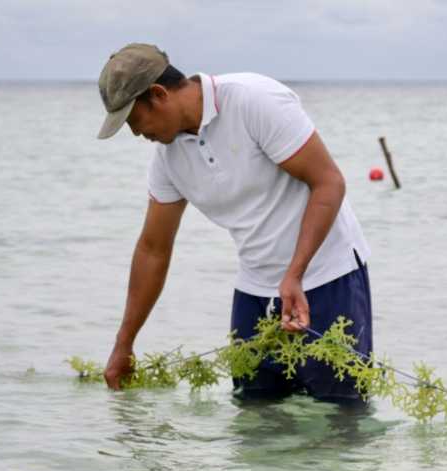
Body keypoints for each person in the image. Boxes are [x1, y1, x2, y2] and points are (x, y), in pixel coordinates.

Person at [96, 43, 373, 404]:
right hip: (254, 291)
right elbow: (153, 249)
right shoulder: (167, 159)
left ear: (159, 94)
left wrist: (295, 273)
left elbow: (329, 183)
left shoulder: (253, 100)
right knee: (254, 422)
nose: (135, 133)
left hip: (328, 277)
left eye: (134, 120)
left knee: (342, 420)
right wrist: (124, 343)